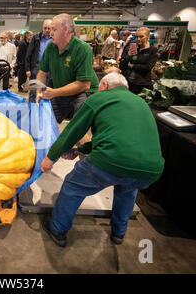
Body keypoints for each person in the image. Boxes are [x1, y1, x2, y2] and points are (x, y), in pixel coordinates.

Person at [40, 72, 165, 247]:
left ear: (105, 85)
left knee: (73, 186)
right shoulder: (141, 102)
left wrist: (50, 157)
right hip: (150, 170)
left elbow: (72, 131)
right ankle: (118, 233)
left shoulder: (99, 99)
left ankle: (57, 228)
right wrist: (80, 150)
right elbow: (117, 137)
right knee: (127, 190)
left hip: (110, 161)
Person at [36, 14, 99, 124]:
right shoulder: (51, 47)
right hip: (61, 90)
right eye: (50, 29)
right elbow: (42, 72)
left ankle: (82, 139)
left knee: (78, 129)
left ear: (65, 30)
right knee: (44, 121)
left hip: (84, 92)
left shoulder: (83, 49)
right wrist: (39, 91)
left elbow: (84, 84)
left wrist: (54, 92)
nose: (50, 33)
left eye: (54, 29)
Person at [119, 27, 158, 95]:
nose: (138, 39)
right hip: (127, 83)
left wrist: (132, 65)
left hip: (142, 84)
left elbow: (147, 67)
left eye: (141, 36)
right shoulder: (130, 48)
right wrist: (128, 56)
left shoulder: (152, 50)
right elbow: (122, 66)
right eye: (136, 37)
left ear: (148, 37)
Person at [25, 19, 52, 101]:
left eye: (49, 28)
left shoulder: (55, 38)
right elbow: (29, 53)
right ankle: (31, 109)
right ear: (42, 28)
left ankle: (43, 108)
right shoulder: (36, 38)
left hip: (50, 68)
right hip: (36, 67)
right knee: (33, 90)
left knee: (46, 89)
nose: (47, 30)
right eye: (45, 28)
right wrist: (27, 69)